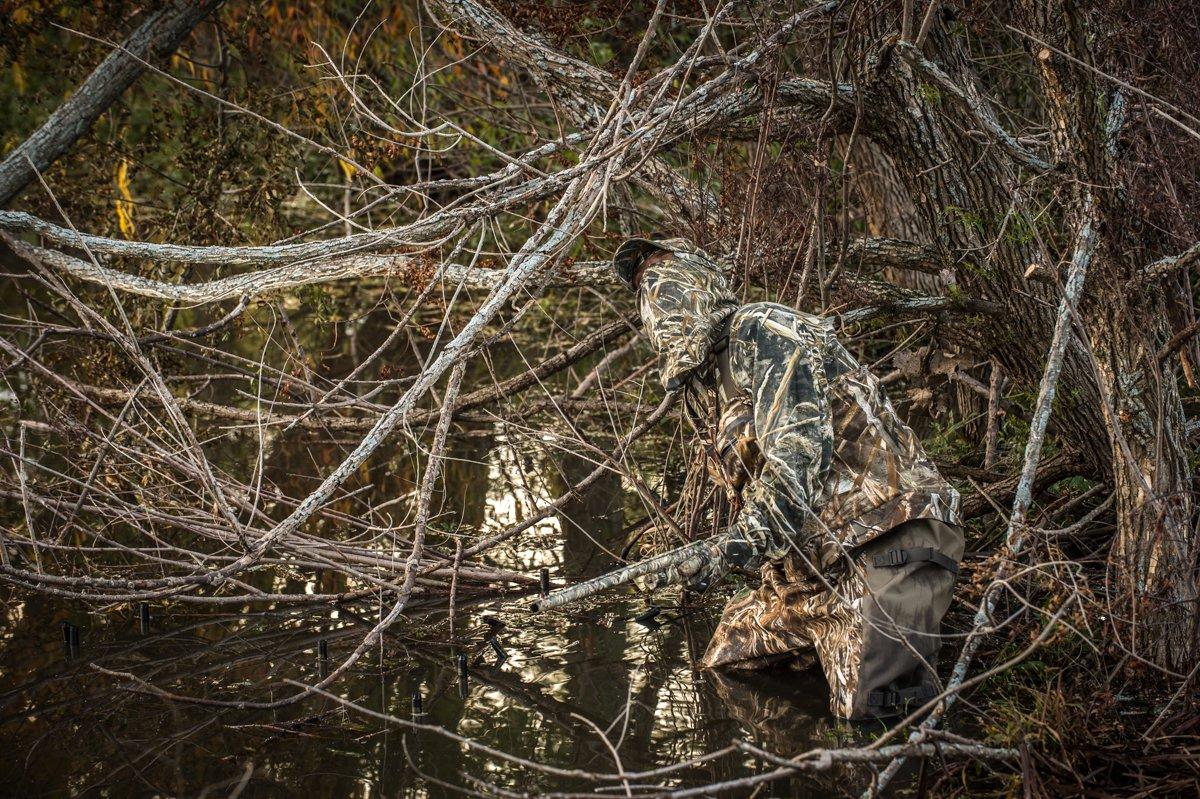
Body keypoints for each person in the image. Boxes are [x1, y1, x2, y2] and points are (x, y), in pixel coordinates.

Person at [613, 235, 965, 720]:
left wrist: (724, 550)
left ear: (699, 274)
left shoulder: (764, 330)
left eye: (662, 267)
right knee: (727, 666)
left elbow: (793, 466)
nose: (654, 286)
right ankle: (805, 763)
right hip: (809, 576)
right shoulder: (710, 381)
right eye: (642, 282)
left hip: (887, 543)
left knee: (877, 720)